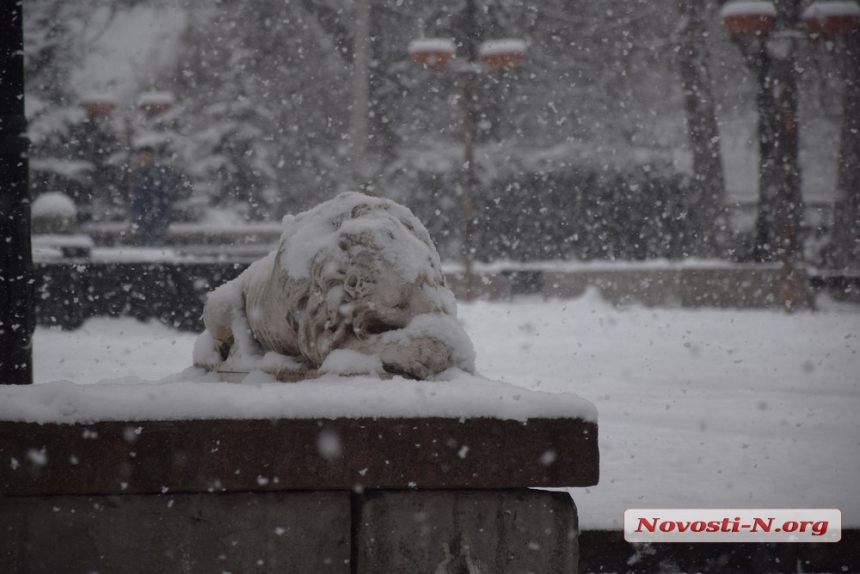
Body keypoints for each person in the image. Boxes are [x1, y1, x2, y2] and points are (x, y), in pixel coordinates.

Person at [129, 145, 173, 246]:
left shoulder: (156, 174)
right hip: (142, 218)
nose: (143, 160)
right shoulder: (139, 173)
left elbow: (160, 198)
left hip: (153, 219)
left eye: (146, 157)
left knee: (152, 245)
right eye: (141, 158)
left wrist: (152, 214)